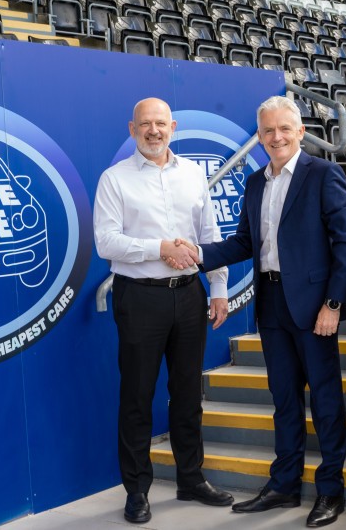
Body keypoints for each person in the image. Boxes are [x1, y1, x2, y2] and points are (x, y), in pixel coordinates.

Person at [179, 95, 346, 527]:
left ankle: (330, 491)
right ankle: (284, 485)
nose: (275, 137)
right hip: (273, 304)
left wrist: (334, 304)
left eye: (284, 129)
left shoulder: (323, 174)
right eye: (267, 131)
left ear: (300, 131)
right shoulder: (256, 181)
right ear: (259, 137)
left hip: (316, 306)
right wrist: (198, 253)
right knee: (284, 400)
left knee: (327, 400)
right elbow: (246, 242)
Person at [93, 97, 234, 524]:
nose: (153, 131)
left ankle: (191, 478)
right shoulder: (114, 179)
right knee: (137, 396)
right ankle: (137, 490)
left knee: (188, 393)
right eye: (144, 124)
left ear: (172, 126)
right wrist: (160, 248)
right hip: (140, 298)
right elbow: (106, 242)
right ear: (132, 128)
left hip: (190, 295)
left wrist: (219, 287)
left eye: (160, 123)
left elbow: (209, 234)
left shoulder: (193, 174)